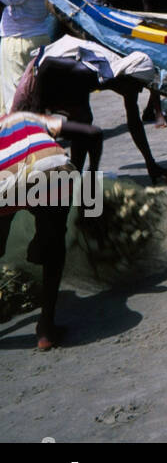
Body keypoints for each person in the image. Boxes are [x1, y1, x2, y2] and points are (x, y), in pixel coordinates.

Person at [0, 110, 103, 349]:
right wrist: (92, 179)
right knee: (54, 236)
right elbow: (94, 133)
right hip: (50, 169)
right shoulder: (34, 117)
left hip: (4, 179)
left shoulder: (5, 123)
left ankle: (39, 244)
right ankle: (45, 328)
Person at [19, 34, 167, 185]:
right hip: (40, 73)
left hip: (69, 80)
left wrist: (150, 163)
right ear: (126, 78)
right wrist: (36, 112)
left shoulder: (127, 82)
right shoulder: (92, 71)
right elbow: (48, 65)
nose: (139, 91)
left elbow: (135, 123)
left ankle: (73, 176)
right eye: (138, 86)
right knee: (31, 133)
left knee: (83, 120)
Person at [1, 0, 56, 111]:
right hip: (40, 36)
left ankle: (23, 132)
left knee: (17, 93)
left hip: (19, 40)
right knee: (35, 90)